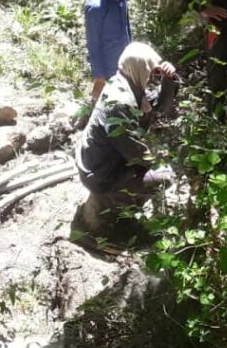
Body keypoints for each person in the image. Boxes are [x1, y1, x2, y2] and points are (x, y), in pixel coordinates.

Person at [74, 42, 178, 239]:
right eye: (152, 71)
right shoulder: (120, 102)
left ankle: (125, 202)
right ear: (139, 68)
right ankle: (118, 210)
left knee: (156, 168)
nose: (154, 76)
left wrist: (169, 80)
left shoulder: (126, 82)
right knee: (164, 176)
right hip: (100, 174)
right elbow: (134, 154)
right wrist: (158, 163)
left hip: (100, 162)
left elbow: (159, 106)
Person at [84, 0, 133, 103]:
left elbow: (126, 27)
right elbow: (93, 44)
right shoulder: (96, 7)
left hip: (124, 62)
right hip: (107, 66)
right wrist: (99, 76)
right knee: (102, 103)